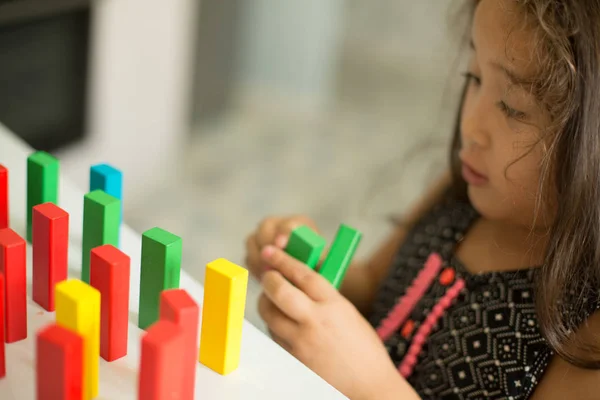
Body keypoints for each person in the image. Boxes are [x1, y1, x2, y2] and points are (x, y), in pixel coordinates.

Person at [244, 0, 600, 398]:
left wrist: (369, 384)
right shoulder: (464, 192)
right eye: (475, 77)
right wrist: (315, 272)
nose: (470, 126)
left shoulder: (588, 336)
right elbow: (374, 284)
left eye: (512, 107)